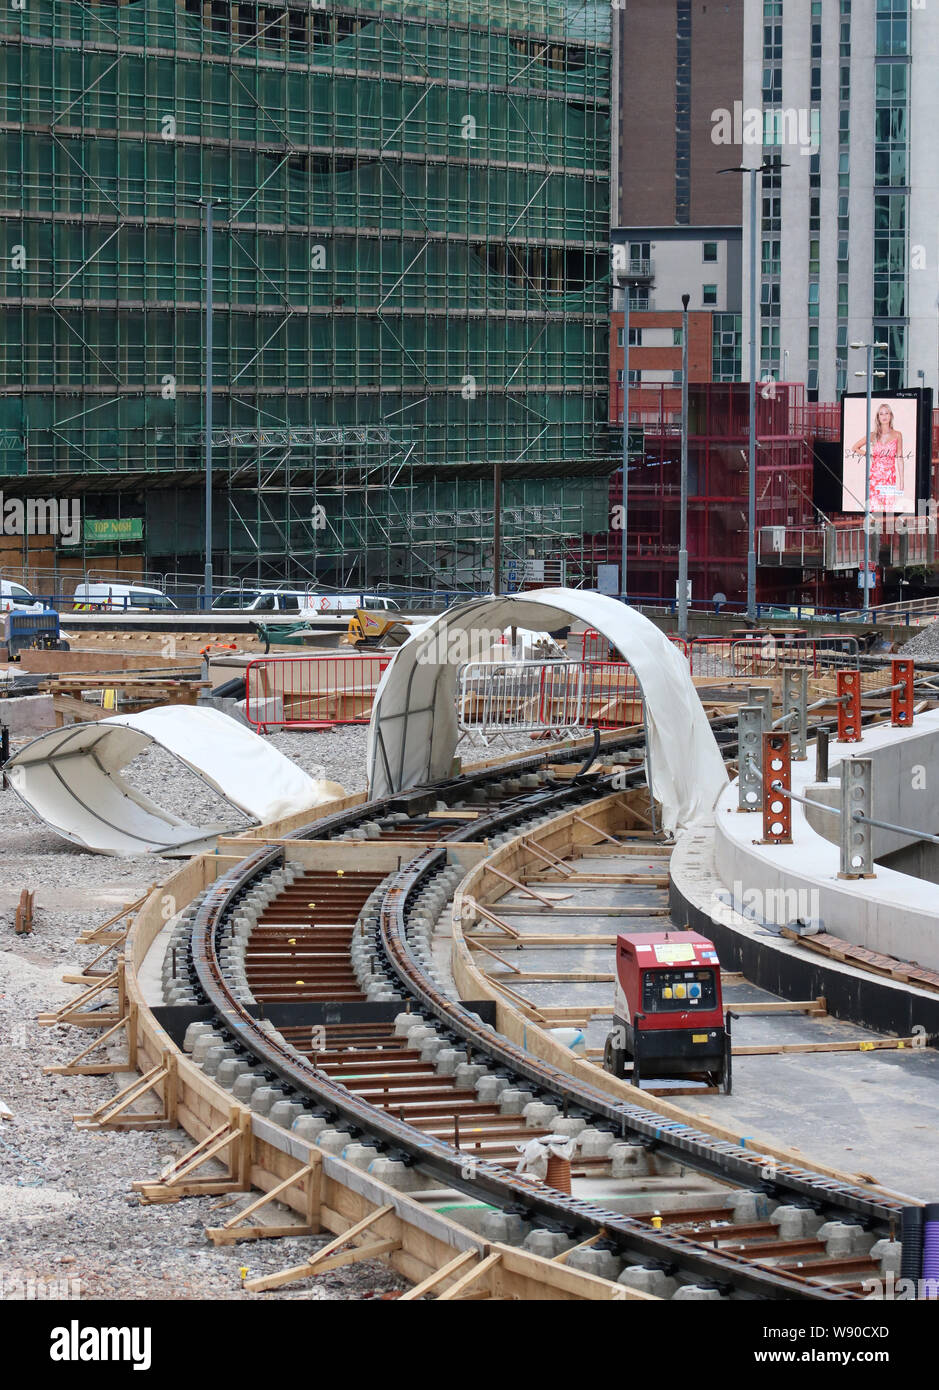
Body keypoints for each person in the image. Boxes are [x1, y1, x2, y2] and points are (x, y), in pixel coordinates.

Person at [850, 403, 905, 506]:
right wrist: (869, 455)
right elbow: (855, 448)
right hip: (875, 476)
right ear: (878, 417)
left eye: (886, 413)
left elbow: (900, 458)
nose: (884, 416)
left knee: (888, 508)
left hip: (889, 477)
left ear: (891, 415)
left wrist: (902, 481)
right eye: (881, 414)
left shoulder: (897, 435)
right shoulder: (873, 435)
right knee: (874, 508)